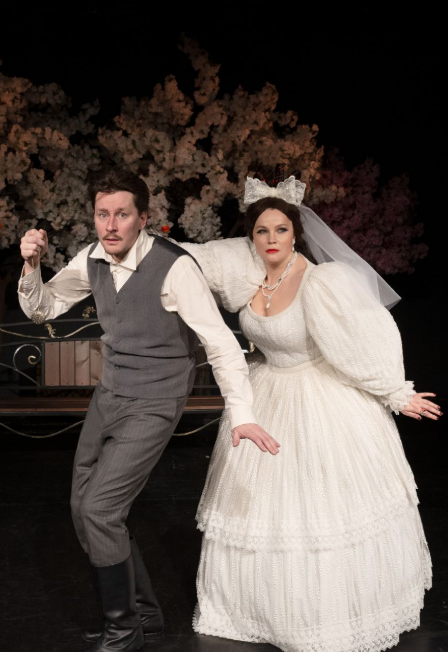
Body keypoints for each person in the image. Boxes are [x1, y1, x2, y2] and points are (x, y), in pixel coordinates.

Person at [17, 166, 280, 652]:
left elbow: (220, 342)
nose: (110, 225)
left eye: (122, 214)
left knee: (100, 508)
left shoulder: (174, 267)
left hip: (157, 398)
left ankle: (123, 629)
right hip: (111, 392)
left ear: (143, 219)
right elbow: (44, 308)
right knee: (83, 506)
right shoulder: (92, 257)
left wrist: (242, 413)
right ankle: (145, 618)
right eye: (102, 214)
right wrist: (32, 267)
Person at [177, 175, 438, 652]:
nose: (271, 239)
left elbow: (355, 342)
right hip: (267, 393)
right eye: (262, 231)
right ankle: (262, 609)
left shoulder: (321, 281)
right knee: (264, 509)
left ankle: (327, 613)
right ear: (251, 236)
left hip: (321, 399)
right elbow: (188, 258)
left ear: (295, 232)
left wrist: (396, 393)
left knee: (320, 508)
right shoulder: (247, 276)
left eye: (280, 230)